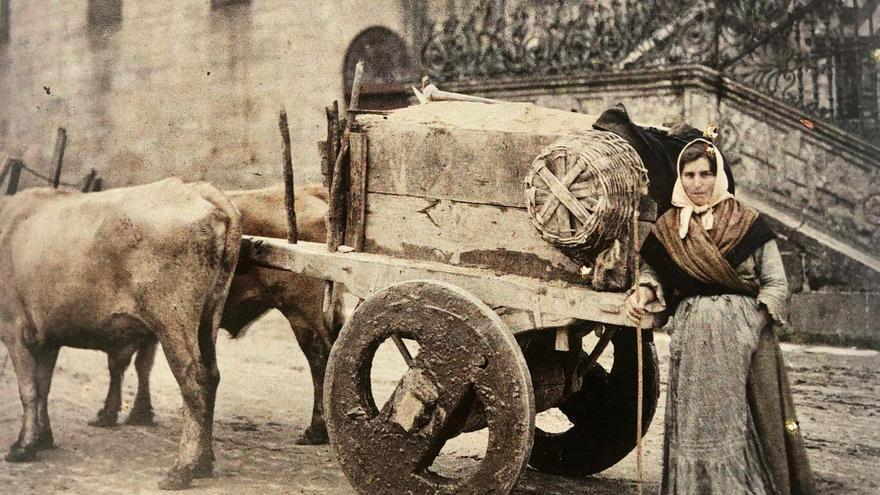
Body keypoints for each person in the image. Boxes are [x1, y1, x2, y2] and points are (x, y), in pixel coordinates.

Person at [624, 135, 815, 494]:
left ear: (720, 176)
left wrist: (750, 327)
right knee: (698, 423)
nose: (697, 183)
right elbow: (654, 273)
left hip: (747, 338)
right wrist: (643, 292)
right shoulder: (668, 227)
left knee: (749, 420)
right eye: (689, 175)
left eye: (705, 174)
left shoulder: (748, 221)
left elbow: (775, 284)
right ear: (680, 178)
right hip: (695, 338)